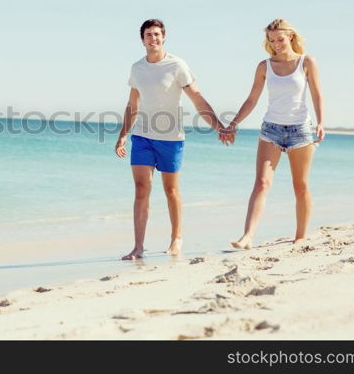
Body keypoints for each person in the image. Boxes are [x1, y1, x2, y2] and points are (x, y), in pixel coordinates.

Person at [115, 19, 230, 260]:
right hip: (143, 136)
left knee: (170, 189)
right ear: (142, 39)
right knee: (141, 188)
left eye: (157, 34)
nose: (153, 38)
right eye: (148, 35)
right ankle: (138, 246)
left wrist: (218, 126)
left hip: (171, 137)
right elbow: (132, 105)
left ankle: (176, 239)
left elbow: (197, 98)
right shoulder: (137, 68)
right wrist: (123, 135)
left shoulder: (177, 65)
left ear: (164, 37)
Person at [221, 18, 324, 249]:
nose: (276, 44)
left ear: (290, 37)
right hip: (271, 130)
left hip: (300, 130)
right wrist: (233, 123)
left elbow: (317, 94)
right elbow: (252, 99)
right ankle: (247, 236)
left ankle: (300, 236)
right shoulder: (264, 66)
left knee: (301, 185)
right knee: (262, 183)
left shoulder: (306, 62)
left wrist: (321, 122)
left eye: (280, 39)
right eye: (271, 40)